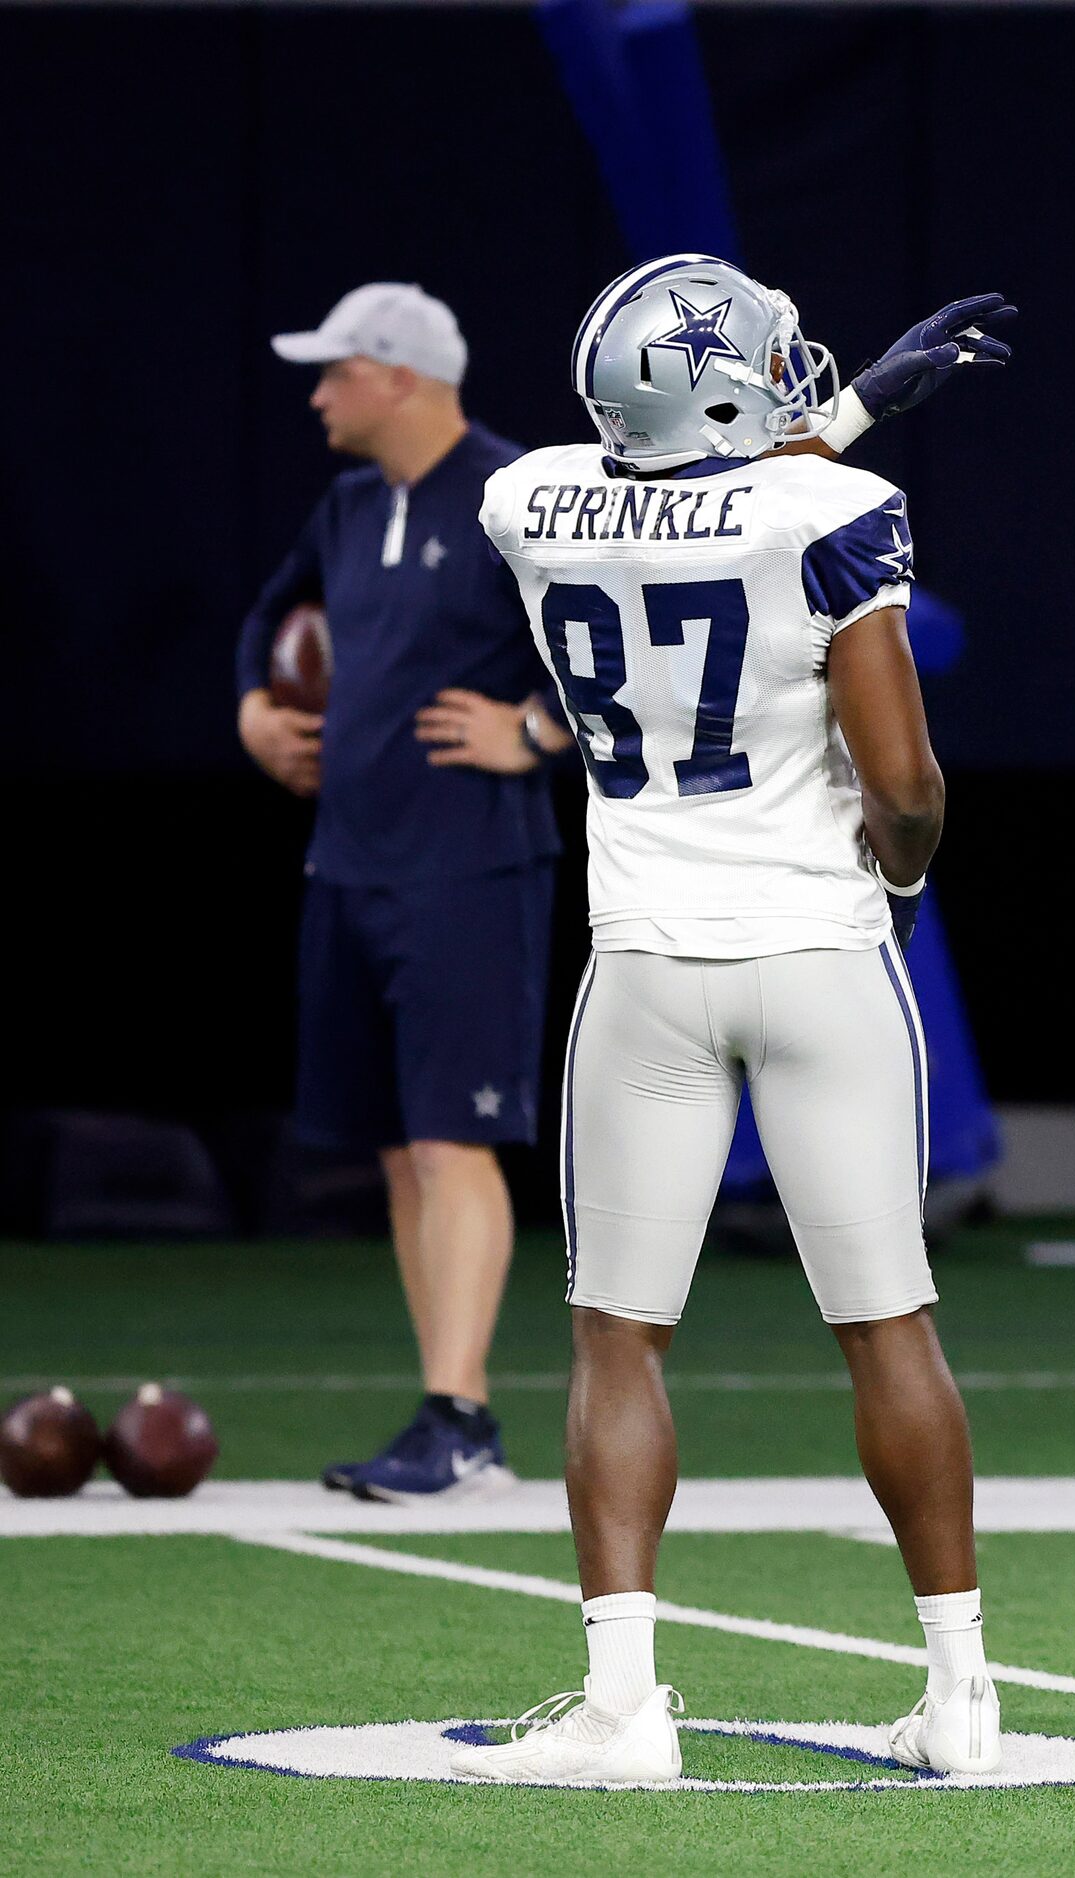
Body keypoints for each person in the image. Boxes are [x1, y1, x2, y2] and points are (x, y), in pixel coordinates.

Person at [448, 255, 1014, 1785]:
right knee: (887, 1323)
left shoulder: (535, 501)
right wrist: (897, 872)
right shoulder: (835, 512)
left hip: (644, 964)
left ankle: (623, 1703)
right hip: (821, 952)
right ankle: (959, 1691)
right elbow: (900, 782)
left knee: (618, 1335)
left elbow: (689, 486)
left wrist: (834, 409)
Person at [238, 283, 576, 1501]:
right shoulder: (344, 506)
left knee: (450, 1141)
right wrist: (256, 715)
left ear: (400, 377)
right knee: (396, 1150)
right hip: (351, 864)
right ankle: (446, 1411)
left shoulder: (517, 498)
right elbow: (266, 623)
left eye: (336, 371)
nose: (320, 393)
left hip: (469, 873)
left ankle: (463, 1416)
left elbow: (611, 639)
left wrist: (534, 729)